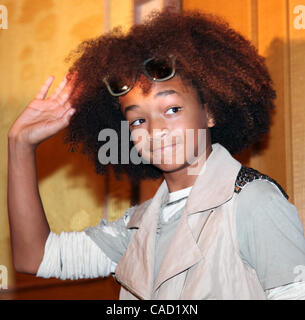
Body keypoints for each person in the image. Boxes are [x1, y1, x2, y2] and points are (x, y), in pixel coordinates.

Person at [7, 8, 305, 300]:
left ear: (210, 111)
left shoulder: (253, 202)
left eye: (172, 109)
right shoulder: (139, 227)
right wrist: (21, 145)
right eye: (138, 119)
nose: (155, 129)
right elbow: (35, 257)